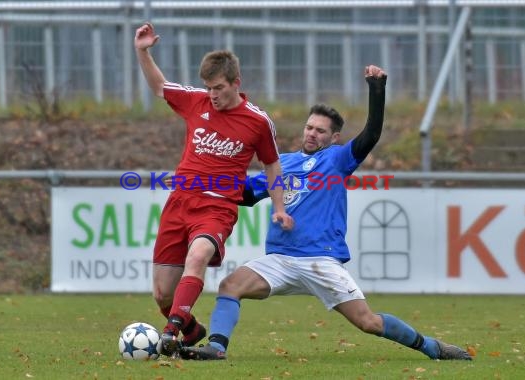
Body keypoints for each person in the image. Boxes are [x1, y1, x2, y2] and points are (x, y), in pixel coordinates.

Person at [181, 65, 472, 361]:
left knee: (367, 322)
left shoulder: (337, 159)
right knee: (231, 285)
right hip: (280, 258)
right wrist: (203, 181)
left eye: (320, 131)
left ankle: (431, 347)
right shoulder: (283, 163)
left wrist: (376, 88)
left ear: (334, 138)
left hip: (320, 259)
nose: (312, 134)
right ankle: (217, 348)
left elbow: (370, 135)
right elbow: (242, 194)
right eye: (309, 127)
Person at [134, 22, 294, 357]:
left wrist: (278, 207)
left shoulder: (257, 121)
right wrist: (143, 51)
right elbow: (161, 88)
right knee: (163, 293)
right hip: (180, 202)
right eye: (208, 88)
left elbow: (272, 165)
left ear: (237, 82)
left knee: (198, 256)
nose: (213, 95)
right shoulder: (196, 102)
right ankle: (191, 330)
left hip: (217, 207)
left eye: (219, 88)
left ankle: (171, 331)